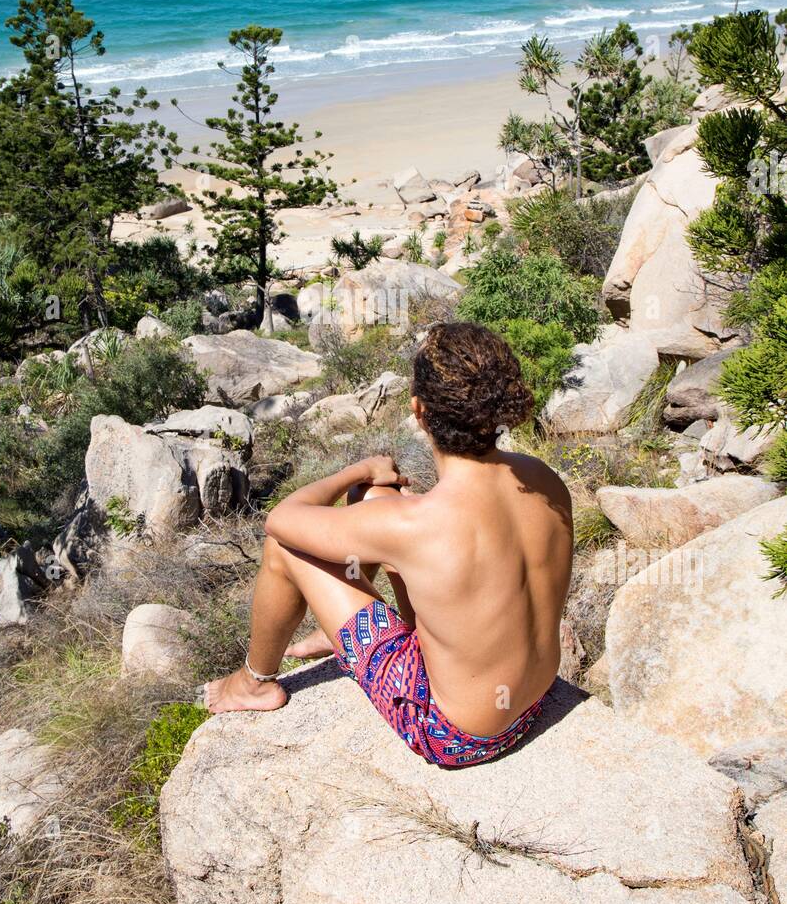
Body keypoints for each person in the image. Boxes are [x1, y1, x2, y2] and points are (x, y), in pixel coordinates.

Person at [203, 321, 573, 768]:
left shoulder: (414, 525)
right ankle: (345, 626)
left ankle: (253, 682)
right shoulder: (542, 478)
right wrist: (373, 490)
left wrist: (357, 472)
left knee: (286, 548)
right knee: (375, 501)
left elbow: (280, 521)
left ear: (419, 411)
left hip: (458, 735)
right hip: (532, 700)